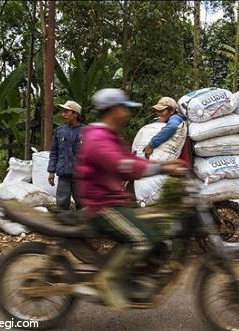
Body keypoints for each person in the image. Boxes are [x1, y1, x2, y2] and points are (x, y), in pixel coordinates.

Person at [75, 88, 187, 309]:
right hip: (102, 205)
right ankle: (109, 279)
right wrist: (163, 167)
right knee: (141, 239)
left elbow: (130, 159)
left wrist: (162, 166)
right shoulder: (98, 138)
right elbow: (124, 166)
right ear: (114, 109)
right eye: (124, 108)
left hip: (116, 200)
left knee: (153, 228)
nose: (127, 113)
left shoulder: (111, 135)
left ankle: (137, 275)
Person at [47, 100, 85, 210]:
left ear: (75, 114)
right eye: (63, 112)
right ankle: (63, 225)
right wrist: (51, 171)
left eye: (66, 112)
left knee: (83, 205)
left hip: (81, 176)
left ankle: (83, 225)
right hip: (64, 175)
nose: (63, 114)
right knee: (62, 204)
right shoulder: (59, 131)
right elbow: (54, 152)